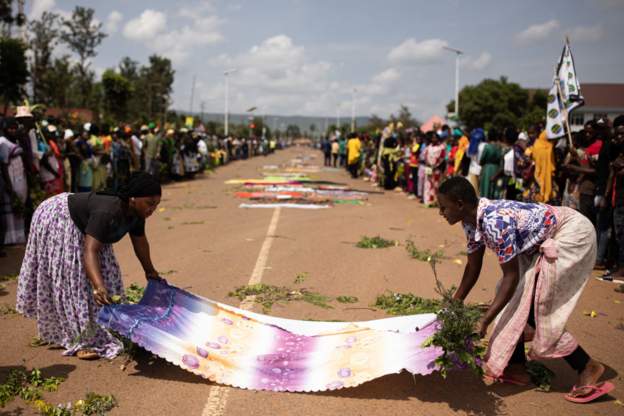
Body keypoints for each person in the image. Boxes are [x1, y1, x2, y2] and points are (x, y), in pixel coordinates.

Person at [437, 176, 613, 403]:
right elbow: (473, 265)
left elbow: (511, 276)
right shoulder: (471, 221)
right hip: (540, 240)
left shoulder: (494, 222)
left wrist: (485, 320)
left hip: (571, 233)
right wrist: (456, 300)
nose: (441, 213)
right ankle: (517, 367)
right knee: (512, 296)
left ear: (460, 204)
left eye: (443, 208)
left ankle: (587, 366)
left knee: (537, 304)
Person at [16, 172, 163, 360]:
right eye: (150, 203)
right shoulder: (108, 211)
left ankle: (102, 325)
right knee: (76, 283)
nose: (152, 209)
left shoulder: (136, 214)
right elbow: (90, 251)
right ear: (133, 198)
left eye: (156, 205)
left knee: (108, 276)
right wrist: (97, 286)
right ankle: (82, 340)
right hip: (60, 218)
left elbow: (140, 242)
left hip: (88, 230)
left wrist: (150, 272)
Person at [0, 118, 28, 245]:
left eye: (14, 128)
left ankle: (18, 235)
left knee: (19, 204)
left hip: (19, 175)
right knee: (11, 205)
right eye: (10, 128)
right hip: (11, 176)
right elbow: (4, 165)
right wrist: (9, 185)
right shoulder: (3, 142)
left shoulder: (14, 140)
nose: (13, 130)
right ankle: (10, 237)